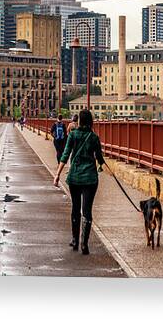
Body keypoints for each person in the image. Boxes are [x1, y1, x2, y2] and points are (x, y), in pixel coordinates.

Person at [53, 109, 104, 255]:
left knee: (76, 208)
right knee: (87, 211)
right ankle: (84, 244)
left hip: (74, 177)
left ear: (80, 121)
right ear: (91, 122)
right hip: (90, 178)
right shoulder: (94, 137)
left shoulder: (73, 135)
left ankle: (75, 240)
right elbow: (99, 158)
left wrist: (57, 174)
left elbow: (65, 154)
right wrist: (101, 163)